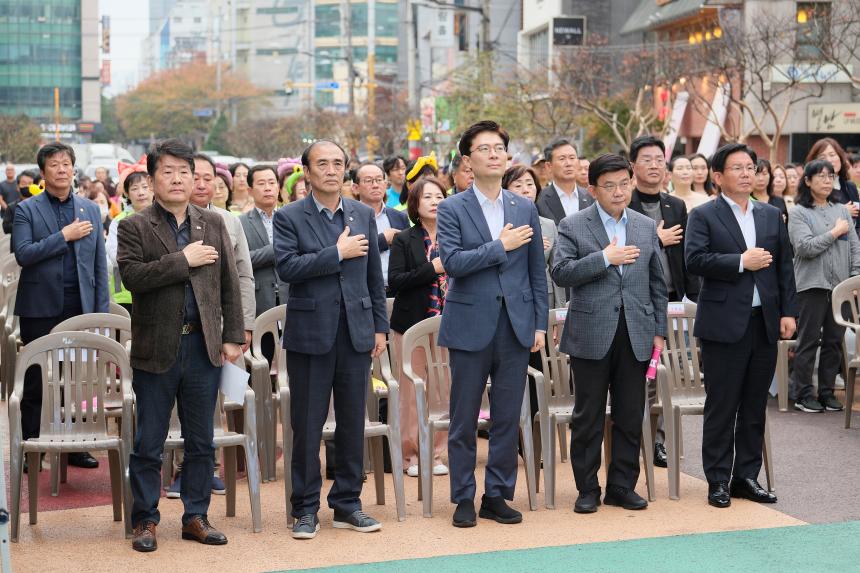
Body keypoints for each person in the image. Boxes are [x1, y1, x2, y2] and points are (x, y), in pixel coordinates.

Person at [118, 139, 244, 552]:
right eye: (167, 171)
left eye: (184, 171)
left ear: (195, 178)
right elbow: (133, 278)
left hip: (204, 348)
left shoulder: (214, 222)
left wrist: (231, 337)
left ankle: (195, 516)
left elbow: (229, 286)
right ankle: (145, 520)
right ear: (152, 179)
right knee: (149, 440)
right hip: (157, 348)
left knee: (201, 440)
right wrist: (183, 261)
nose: (176, 178)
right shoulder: (134, 226)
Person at [273, 139, 388, 540]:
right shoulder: (289, 217)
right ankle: (304, 509)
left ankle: (347, 504)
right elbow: (287, 268)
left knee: (353, 422)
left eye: (338, 163)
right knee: (306, 425)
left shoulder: (360, 213)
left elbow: (374, 276)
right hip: (311, 334)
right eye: (322, 163)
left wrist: (379, 326)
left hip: (356, 332)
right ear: (306, 171)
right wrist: (335, 252)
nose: (331, 170)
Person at [437, 120, 548, 528]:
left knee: (506, 416)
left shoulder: (524, 206)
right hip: (469, 322)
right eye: (484, 149)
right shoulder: (452, 208)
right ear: (468, 161)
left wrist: (538, 322)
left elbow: (537, 271)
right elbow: (453, 264)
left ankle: (497, 494)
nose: (494, 154)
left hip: (516, 325)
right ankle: (463, 496)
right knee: (464, 416)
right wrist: (498, 246)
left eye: (500, 147)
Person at [552, 153, 668, 514]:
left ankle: (621, 485)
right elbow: (561, 272)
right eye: (609, 186)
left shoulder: (645, 226)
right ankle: (587, 488)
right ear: (593, 189)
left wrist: (659, 331)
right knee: (587, 415)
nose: (619, 192)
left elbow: (658, 284)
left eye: (624, 183)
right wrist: (604, 258)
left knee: (631, 413)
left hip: (637, 331)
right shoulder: (573, 225)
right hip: (590, 331)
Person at [685, 142, 797, 509]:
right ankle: (717, 479)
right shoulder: (704, 215)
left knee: (754, 404)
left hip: (763, 322)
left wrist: (787, 312)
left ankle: (746, 476)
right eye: (738, 167)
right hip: (723, 324)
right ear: (718, 177)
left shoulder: (769, 215)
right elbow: (695, 260)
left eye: (751, 167)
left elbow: (784, 267)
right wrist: (740, 262)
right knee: (722, 405)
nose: (747, 173)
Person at [14, 142, 109, 472]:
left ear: (73, 168)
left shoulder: (89, 209)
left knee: (76, 381)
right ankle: (33, 447)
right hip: (39, 307)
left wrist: (99, 314)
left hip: (79, 306)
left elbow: (99, 265)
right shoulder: (27, 209)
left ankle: (76, 446)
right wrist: (64, 236)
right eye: (54, 164)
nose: (62, 169)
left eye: (67, 163)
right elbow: (24, 254)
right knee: (38, 380)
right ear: (43, 172)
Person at [388, 176, 450, 478]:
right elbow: (396, 281)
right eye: (428, 197)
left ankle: (438, 453)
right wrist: (432, 269)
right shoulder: (404, 239)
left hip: (449, 322)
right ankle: (409, 456)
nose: (435, 202)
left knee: (443, 390)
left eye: (440, 196)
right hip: (411, 325)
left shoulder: (455, 237)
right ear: (415, 204)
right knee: (411, 390)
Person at [788, 159, 860, 413]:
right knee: (808, 340)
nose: (827, 181)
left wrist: (854, 280)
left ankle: (827, 392)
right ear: (807, 181)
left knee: (833, 340)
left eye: (830, 176)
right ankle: (802, 393)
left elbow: (854, 248)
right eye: (820, 176)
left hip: (840, 288)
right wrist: (833, 233)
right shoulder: (798, 212)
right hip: (811, 286)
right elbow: (804, 248)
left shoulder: (841, 210)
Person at [239, 164, 289, 357]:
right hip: (259, 302)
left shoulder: (291, 217)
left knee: (292, 365)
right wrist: (277, 250)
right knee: (261, 360)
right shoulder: (241, 222)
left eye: (271, 182)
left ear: (278, 186)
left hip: (291, 298)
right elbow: (241, 261)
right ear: (250, 190)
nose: (268, 188)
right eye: (261, 183)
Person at [502, 165, 564, 309]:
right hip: (511, 299)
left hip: (544, 298)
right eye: (518, 185)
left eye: (530, 184)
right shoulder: (502, 227)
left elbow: (556, 271)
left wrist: (560, 311)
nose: (526, 189)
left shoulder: (548, 225)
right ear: (504, 191)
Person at [353, 161, 409, 291]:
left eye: (379, 180)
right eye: (368, 181)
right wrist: (383, 240)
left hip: (398, 290)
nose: (375, 185)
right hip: (366, 291)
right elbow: (352, 254)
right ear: (356, 188)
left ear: (385, 184)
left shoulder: (399, 217)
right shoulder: (348, 217)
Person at [107, 171, 153, 312]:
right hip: (126, 296)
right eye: (134, 188)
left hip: (157, 292)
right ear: (126, 193)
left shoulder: (164, 217)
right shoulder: (119, 221)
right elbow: (116, 256)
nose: (141, 193)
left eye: (145, 187)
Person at [806, 138, 860, 234]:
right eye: (822, 157)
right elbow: (811, 219)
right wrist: (841, 212)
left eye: (832, 155)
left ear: (840, 157)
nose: (829, 160)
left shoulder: (850, 186)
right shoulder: (813, 188)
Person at [535, 138, 594, 225]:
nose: (568, 163)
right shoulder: (539, 199)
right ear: (549, 166)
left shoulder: (591, 197)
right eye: (562, 159)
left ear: (577, 163)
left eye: (572, 158)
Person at [3, 170, 36, 250]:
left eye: (30, 183)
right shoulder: (11, 207)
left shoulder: (41, 204)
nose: (27, 186)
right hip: (20, 247)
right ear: (18, 187)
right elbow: (6, 227)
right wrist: (23, 224)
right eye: (24, 184)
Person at [752, 159, 788, 224]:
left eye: (764, 173)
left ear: (770, 176)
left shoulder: (779, 201)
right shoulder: (746, 202)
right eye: (756, 174)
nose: (761, 178)